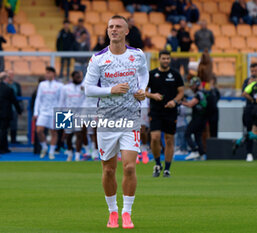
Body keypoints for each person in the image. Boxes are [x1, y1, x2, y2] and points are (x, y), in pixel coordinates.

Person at [84, 15, 149, 229]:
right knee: (109, 170)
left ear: (126, 31)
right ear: (107, 31)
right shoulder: (98, 59)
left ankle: (127, 212)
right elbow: (88, 89)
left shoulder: (137, 55)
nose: (114, 30)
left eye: (118, 26)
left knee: (129, 167)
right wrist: (110, 90)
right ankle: (112, 210)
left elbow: (143, 73)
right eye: (111, 26)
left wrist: (142, 90)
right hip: (107, 120)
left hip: (131, 117)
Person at [146, 50, 184, 177]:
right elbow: (143, 91)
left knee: (169, 140)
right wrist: (153, 95)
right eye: (164, 58)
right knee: (155, 138)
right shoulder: (151, 74)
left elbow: (181, 93)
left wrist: (174, 101)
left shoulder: (175, 74)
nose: (166, 60)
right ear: (159, 59)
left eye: (168, 58)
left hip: (171, 111)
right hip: (156, 111)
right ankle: (157, 164)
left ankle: (167, 168)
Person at [33, 67, 63, 160]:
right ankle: (44, 147)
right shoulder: (42, 85)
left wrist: (59, 112)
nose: (47, 74)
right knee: (39, 131)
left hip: (54, 112)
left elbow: (61, 99)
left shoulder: (59, 85)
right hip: (43, 111)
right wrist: (36, 112)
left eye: (49, 73)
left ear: (53, 74)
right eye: (46, 73)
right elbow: (38, 98)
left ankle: (51, 152)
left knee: (53, 132)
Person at [59, 71, 85, 161]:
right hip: (67, 113)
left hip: (79, 113)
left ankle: (77, 155)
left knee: (79, 134)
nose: (79, 79)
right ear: (73, 77)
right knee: (68, 135)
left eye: (80, 77)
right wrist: (59, 114)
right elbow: (61, 101)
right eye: (77, 77)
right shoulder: (65, 88)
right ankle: (70, 153)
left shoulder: (84, 88)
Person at [0, 72, 22, 154]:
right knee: (4, 130)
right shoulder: (8, 89)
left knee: (2, 129)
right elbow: (14, 101)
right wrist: (19, 110)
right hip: (6, 111)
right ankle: (2, 147)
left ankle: (4, 146)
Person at [183, 77, 207, 160]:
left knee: (187, 133)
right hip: (202, 118)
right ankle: (201, 153)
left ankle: (194, 150)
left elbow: (190, 104)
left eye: (192, 85)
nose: (191, 87)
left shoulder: (199, 93)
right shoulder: (203, 92)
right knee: (197, 136)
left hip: (198, 118)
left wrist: (179, 102)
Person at [241, 63, 257, 161]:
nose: (253, 73)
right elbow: (243, 93)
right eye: (252, 71)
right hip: (249, 108)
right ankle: (249, 153)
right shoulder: (247, 81)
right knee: (249, 130)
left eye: (255, 71)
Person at [7, 70, 22, 144]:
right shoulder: (4, 85)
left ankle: (13, 139)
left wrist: (19, 108)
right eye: (9, 75)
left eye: (12, 75)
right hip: (6, 108)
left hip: (14, 108)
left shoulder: (16, 85)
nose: (10, 77)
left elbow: (19, 97)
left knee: (14, 124)